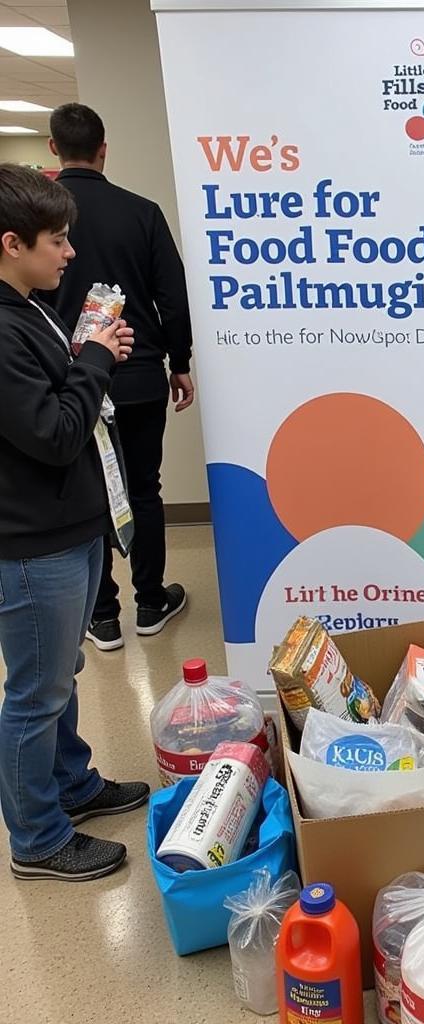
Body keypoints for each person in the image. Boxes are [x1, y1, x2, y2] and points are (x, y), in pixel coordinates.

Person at [0, 164, 150, 881]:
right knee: (36, 692)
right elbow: (56, 432)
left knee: (62, 673)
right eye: (56, 241)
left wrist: (93, 358)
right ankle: (37, 837)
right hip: (33, 544)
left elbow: (63, 393)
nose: (67, 254)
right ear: (11, 242)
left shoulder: (27, 305)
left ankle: (72, 785)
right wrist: (92, 359)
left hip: (70, 523)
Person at [40, 102, 193, 651]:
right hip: (138, 376)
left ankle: (102, 615)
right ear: (104, 148)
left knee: (91, 492)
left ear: (54, 149)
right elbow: (171, 298)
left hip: (65, 380)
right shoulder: (142, 212)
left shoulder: (41, 223)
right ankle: (150, 601)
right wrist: (181, 362)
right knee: (144, 488)